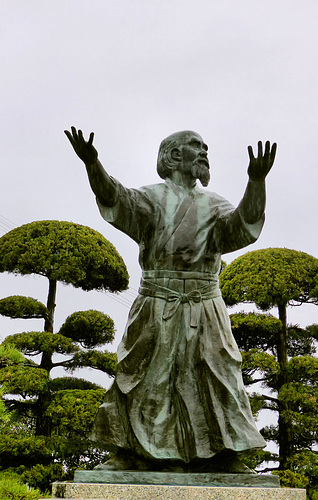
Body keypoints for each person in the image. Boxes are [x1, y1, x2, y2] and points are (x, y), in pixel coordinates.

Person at [65, 127, 276, 473]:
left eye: (206, 147)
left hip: (205, 303)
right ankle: (129, 453)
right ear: (174, 155)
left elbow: (245, 222)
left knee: (220, 376)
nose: (205, 153)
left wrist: (256, 182)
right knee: (142, 378)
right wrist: (93, 164)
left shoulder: (214, 205)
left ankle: (226, 455)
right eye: (197, 146)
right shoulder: (150, 199)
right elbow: (116, 197)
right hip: (156, 303)